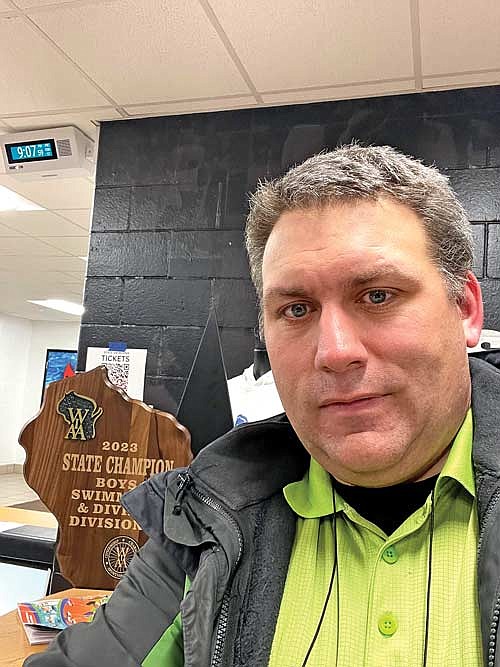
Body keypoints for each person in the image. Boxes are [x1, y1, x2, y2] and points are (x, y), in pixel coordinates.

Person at [26, 144, 500, 667]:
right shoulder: (205, 526)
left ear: (465, 310)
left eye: (378, 296)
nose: (335, 351)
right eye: (296, 309)